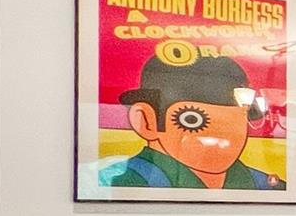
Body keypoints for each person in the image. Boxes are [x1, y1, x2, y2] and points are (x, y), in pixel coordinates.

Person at [101, 53, 284, 190]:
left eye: (233, 122)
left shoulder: (267, 185)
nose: (217, 138)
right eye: (192, 120)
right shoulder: (124, 180)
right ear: (147, 121)